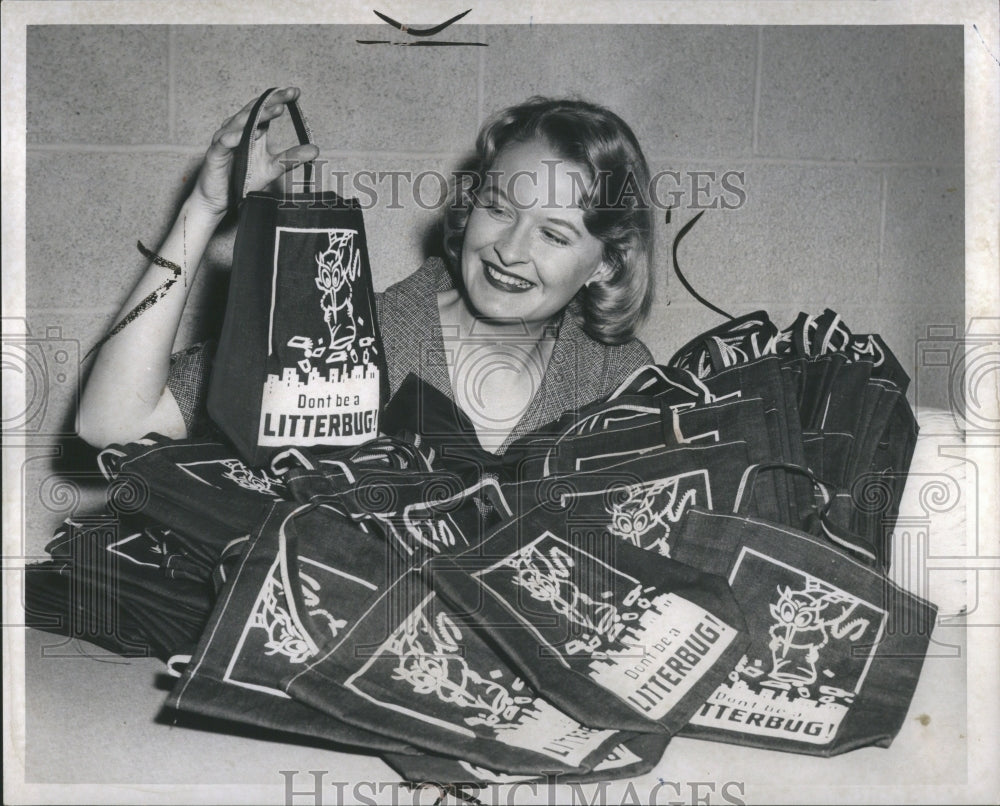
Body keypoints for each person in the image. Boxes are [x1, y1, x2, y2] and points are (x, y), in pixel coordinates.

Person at [78, 87, 657, 455]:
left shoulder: (620, 381)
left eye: (554, 234)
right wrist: (202, 211)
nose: (510, 249)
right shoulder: (343, 329)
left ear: (606, 262)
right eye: (498, 209)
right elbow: (112, 427)